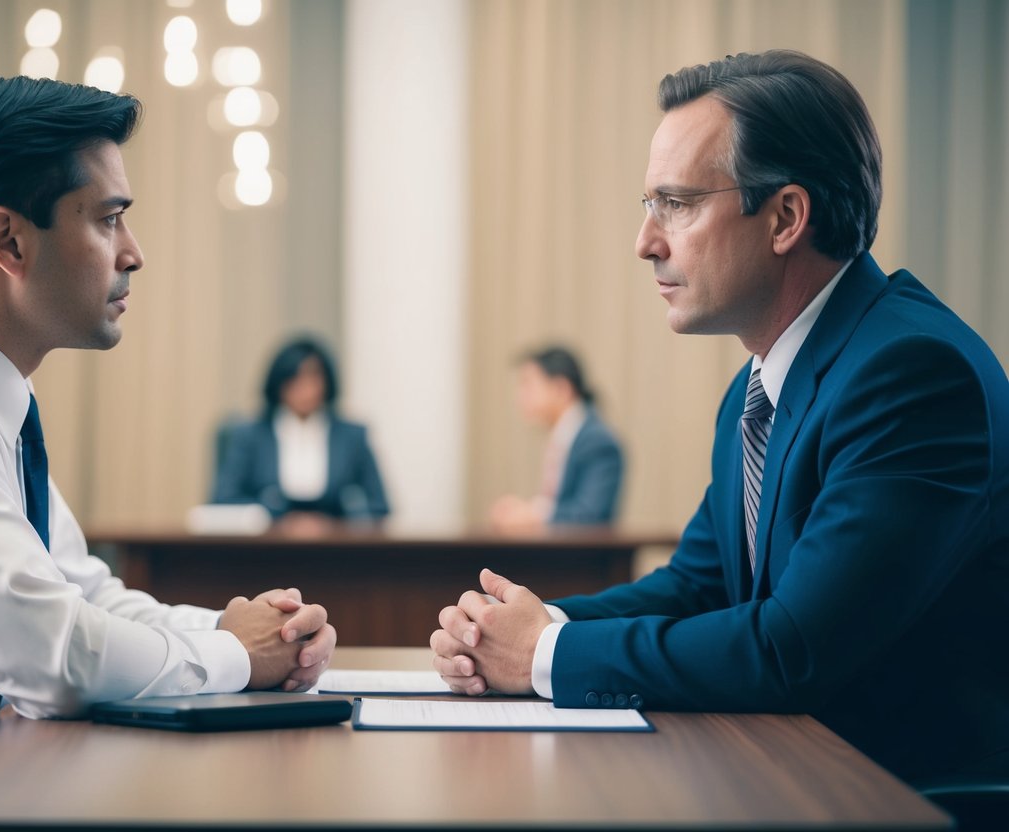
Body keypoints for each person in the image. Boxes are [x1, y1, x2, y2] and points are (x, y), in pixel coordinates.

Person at [431, 50, 1009, 786]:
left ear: (785, 218)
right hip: (795, 773)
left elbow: (791, 649)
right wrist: (528, 624)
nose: (645, 243)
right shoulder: (757, 387)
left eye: (675, 203)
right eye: (649, 206)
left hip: (901, 795)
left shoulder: (912, 375)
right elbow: (697, 587)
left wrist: (541, 656)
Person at [0, 75, 335, 792]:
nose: (133, 253)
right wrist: (238, 656)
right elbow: (52, 661)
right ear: (9, 241)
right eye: (108, 220)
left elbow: (80, 597)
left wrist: (246, 634)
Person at [211, 336, 390, 526]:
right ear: (279, 383)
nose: (306, 390)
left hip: (335, 545)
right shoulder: (250, 436)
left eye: (313, 378)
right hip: (266, 545)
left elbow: (379, 506)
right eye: (295, 380)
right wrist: (270, 517)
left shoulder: (351, 437)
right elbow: (223, 500)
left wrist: (336, 522)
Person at [490, 346, 624, 531]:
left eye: (528, 385)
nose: (520, 397)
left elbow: (591, 516)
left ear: (561, 388)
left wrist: (532, 514)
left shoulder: (597, 441)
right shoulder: (565, 435)